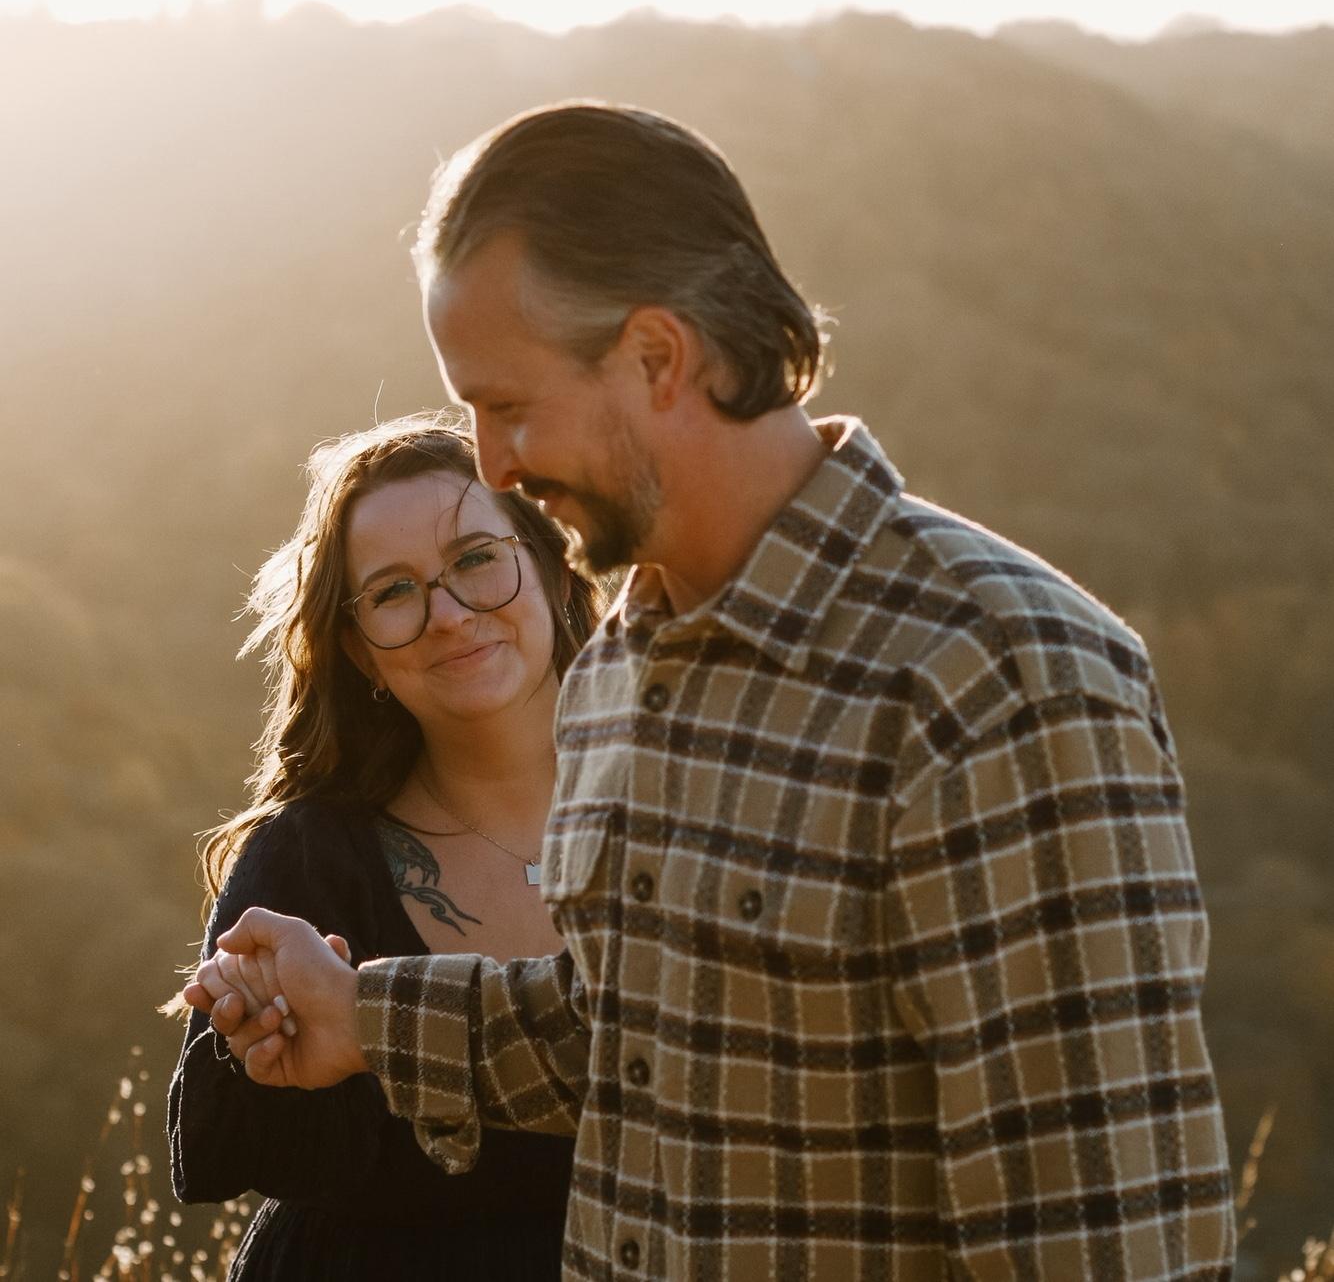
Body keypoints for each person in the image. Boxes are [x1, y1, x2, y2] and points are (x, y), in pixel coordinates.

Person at [189, 103, 1236, 1278]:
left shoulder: (993, 680)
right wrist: (360, 1015)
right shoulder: (617, 671)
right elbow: (636, 1038)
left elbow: (1100, 1236)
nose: (491, 464)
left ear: (656, 356)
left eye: (509, 405)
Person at [168, 411, 602, 1280]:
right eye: (394, 592)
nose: (449, 615)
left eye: (476, 560)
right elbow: (217, 1148)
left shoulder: (684, 810)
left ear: (553, 568)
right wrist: (260, 1031)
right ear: (362, 652)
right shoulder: (310, 859)